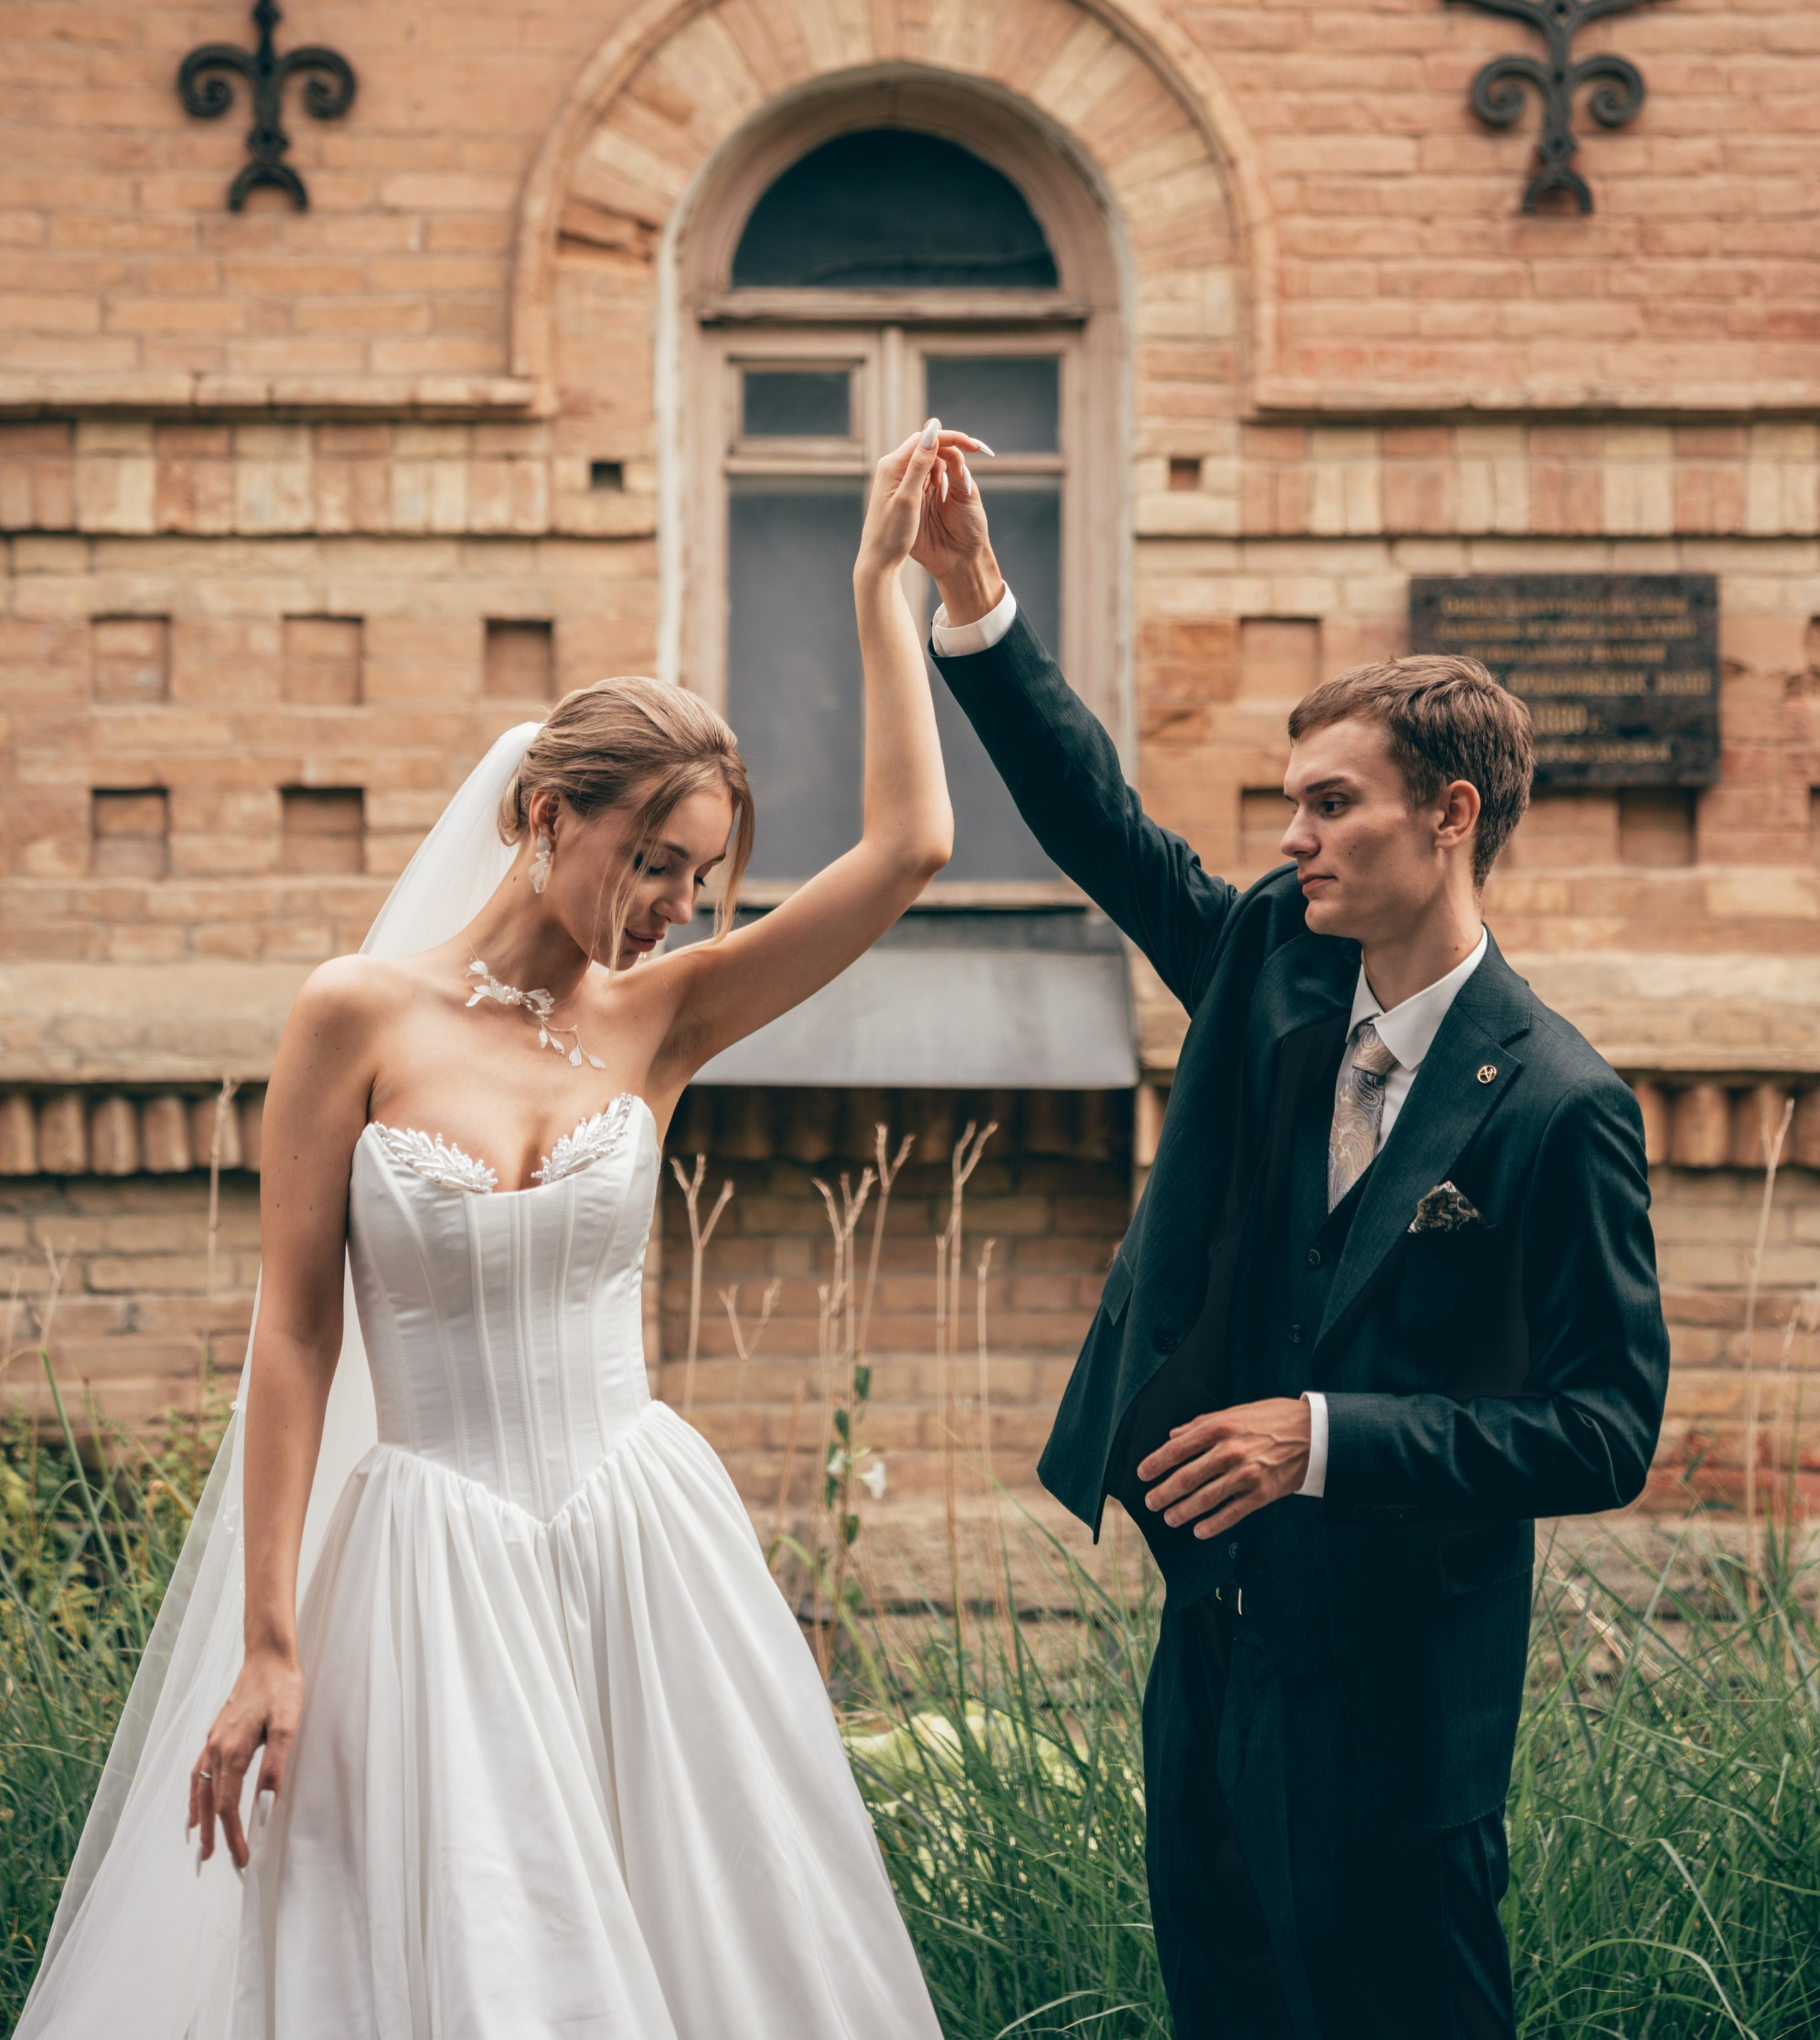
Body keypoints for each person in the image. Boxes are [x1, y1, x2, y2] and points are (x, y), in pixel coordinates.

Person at [18, 423, 965, 2040]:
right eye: (650, 859)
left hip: (637, 1542)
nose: (674, 902)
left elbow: (906, 854)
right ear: (544, 813)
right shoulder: (352, 1019)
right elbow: (297, 1334)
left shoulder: (660, 1017)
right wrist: (268, 1639)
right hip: (431, 1564)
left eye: (701, 874)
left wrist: (881, 587)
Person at [913, 443, 1669, 2040]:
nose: (1294, 838)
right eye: (1287, 805)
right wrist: (977, 604)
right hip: (1211, 1670)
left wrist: (1322, 1441)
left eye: (1331, 805)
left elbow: (1603, 1434)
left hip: (1401, 1722)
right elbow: (1108, 837)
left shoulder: (1558, 1106)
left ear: (1448, 815)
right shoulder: (1272, 957)